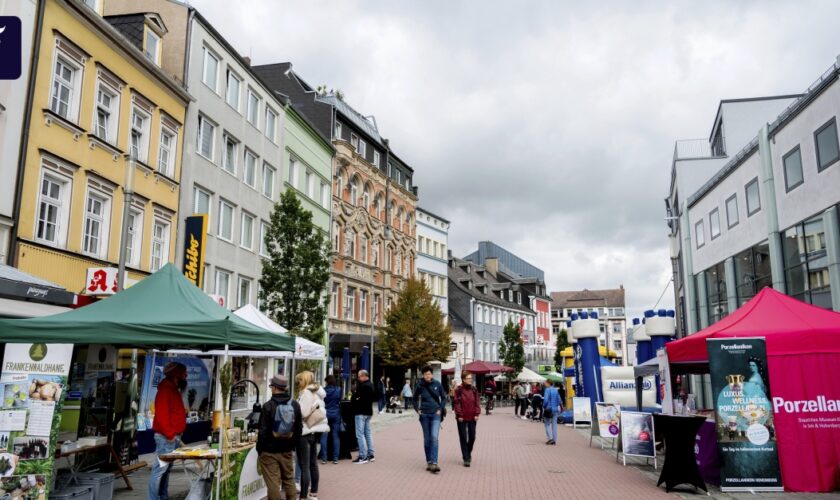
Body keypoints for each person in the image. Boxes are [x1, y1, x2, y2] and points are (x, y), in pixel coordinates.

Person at [257, 375, 302, 500]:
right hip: (287, 450)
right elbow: (299, 429)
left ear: (275, 388)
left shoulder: (268, 406)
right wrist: (291, 445)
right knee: (288, 479)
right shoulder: (295, 405)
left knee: (273, 483)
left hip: (269, 451)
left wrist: (260, 449)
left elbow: (263, 432)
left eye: (271, 386)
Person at [148, 362, 188, 500]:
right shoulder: (165, 390)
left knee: (165, 471)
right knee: (160, 470)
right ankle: (154, 498)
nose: (186, 377)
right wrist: (170, 434)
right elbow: (162, 415)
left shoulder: (172, 389)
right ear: (176, 376)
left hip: (172, 436)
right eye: (184, 375)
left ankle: (162, 497)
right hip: (167, 437)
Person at [296, 371, 328, 500]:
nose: (298, 383)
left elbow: (303, 412)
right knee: (313, 463)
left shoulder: (306, 393)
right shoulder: (317, 392)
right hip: (315, 431)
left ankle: (303, 496)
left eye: (299, 380)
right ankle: (313, 492)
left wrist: (295, 406)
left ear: (303, 380)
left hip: (305, 431)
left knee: (305, 465)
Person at [414, 365, 447, 473]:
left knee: (434, 437)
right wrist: (417, 410)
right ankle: (429, 461)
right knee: (427, 439)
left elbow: (444, 397)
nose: (427, 376)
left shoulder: (437, 384)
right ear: (423, 375)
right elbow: (414, 398)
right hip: (424, 415)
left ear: (432, 374)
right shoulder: (419, 385)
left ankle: (434, 462)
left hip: (435, 415)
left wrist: (440, 409)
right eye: (425, 374)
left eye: (429, 374)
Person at [453, 371, 480, 467]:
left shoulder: (474, 389)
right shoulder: (458, 390)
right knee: (463, 437)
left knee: (472, 437)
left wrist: (477, 413)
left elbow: (477, 402)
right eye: (468, 378)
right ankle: (466, 458)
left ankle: (467, 452)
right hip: (461, 417)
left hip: (472, 416)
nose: (470, 380)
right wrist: (459, 415)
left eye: (471, 378)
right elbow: (456, 403)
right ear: (463, 379)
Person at [351, 369, 375, 463]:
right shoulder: (371, 385)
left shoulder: (363, 386)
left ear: (364, 376)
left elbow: (357, 398)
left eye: (359, 376)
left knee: (359, 434)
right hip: (369, 411)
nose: (358, 378)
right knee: (368, 433)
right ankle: (370, 454)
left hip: (361, 412)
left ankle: (362, 456)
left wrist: (354, 398)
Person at [318, 375, 342, 465]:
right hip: (336, 414)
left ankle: (324, 458)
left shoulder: (323, 390)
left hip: (325, 413)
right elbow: (339, 400)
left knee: (324, 436)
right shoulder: (339, 389)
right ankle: (335, 458)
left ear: (327, 382)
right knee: (336, 436)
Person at [542, 379, 562, 445]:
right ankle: (554, 440)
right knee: (554, 425)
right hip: (555, 409)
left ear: (548, 383)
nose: (544, 384)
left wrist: (544, 406)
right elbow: (559, 401)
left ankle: (550, 439)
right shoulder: (556, 390)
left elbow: (545, 400)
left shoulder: (547, 390)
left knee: (547, 424)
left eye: (545, 382)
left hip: (548, 409)